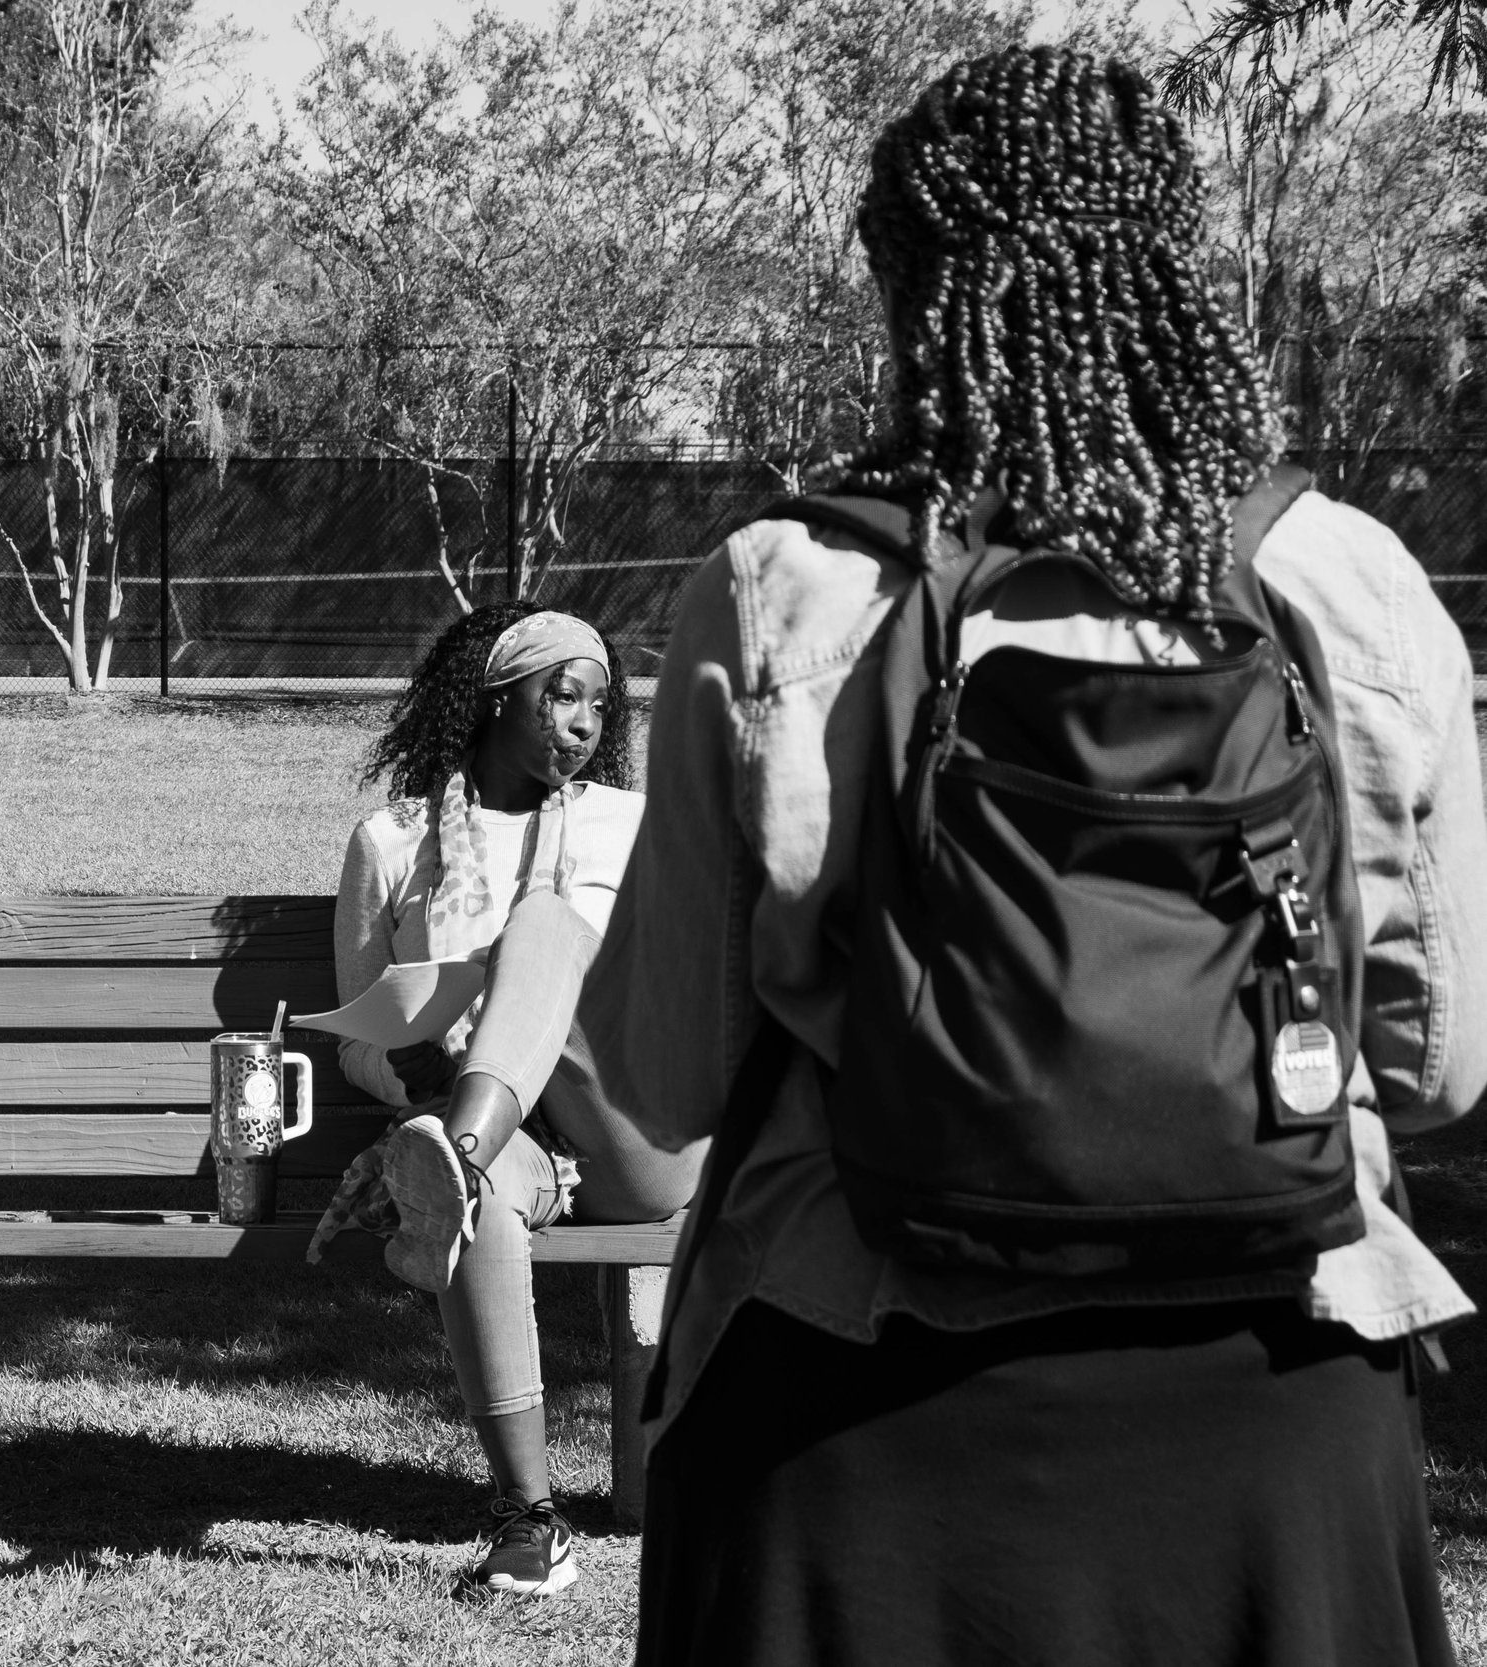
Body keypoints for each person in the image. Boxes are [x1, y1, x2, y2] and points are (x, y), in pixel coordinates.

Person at [585, 47, 1487, 1665]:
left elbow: (662, 1075)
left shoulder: (783, 583)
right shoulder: (1350, 580)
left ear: (910, 289)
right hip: (1280, 1391)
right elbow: (1438, 1068)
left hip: (849, 1400)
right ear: (1174, 263)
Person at [314, 600, 707, 1602]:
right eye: (559, 695)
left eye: (597, 705)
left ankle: (455, 1144)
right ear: (494, 697)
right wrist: (392, 1071)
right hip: (507, 1142)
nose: (582, 721)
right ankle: (527, 1520)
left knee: (542, 924)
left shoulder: (633, 825)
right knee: (473, 1191)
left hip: (631, 1129)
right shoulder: (393, 839)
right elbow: (359, 1024)